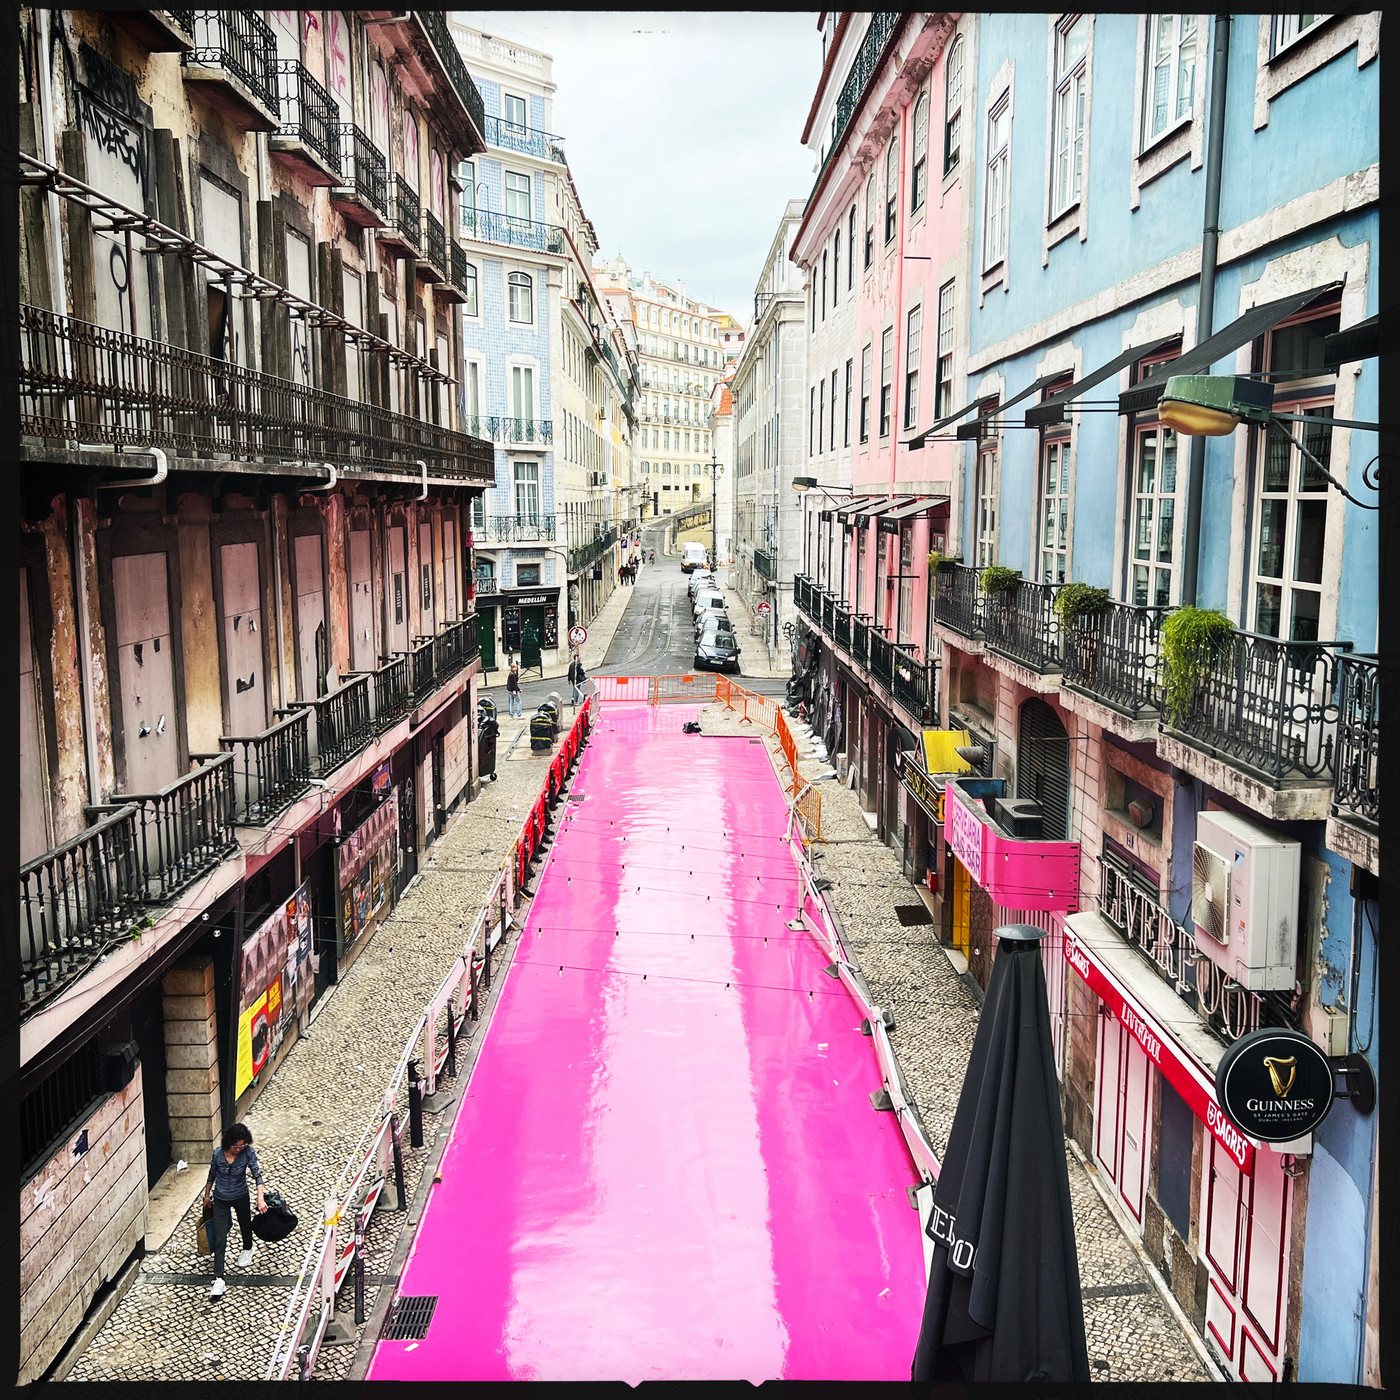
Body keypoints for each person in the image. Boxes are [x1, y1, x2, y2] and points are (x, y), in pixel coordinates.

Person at [204, 1123, 267, 1299]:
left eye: (242, 1146)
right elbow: (211, 1176)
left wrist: (260, 1197)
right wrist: (206, 1196)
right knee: (220, 1238)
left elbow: (257, 1175)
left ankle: (248, 1247)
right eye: (236, 1146)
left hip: (241, 1195)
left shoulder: (247, 1153)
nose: (239, 1149)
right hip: (221, 1199)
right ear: (228, 1144)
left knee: (245, 1225)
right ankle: (219, 1279)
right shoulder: (217, 1154)